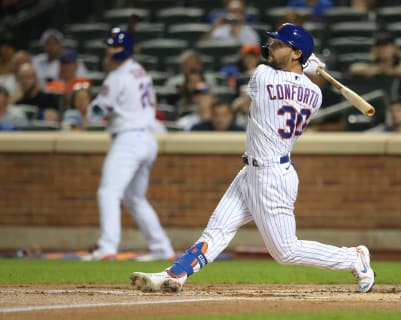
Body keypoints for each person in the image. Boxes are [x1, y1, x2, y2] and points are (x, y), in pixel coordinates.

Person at [130, 23, 375, 293]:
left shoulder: (261, 76)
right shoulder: (315, 95)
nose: (270, 47)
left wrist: (306, 66)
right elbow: (295, 83)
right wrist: (306, 67)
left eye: (279, 44)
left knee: (286, 251)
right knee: (216, 232)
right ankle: (175, 275)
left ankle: (353, 258)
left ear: (295, 53)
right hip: (253, 172)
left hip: (272, 178)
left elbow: (273, 77)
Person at [82, 27, 175, 262]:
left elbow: (96, 112)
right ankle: (162, 248)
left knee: (108, 192)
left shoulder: (116, 77)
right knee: (134, 198)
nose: (110, 51)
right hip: (146, 138)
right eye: (110, 47)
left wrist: (84, 104)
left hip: (129, 139)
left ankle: (107, 246)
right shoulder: (139, 70)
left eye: (114, 47)